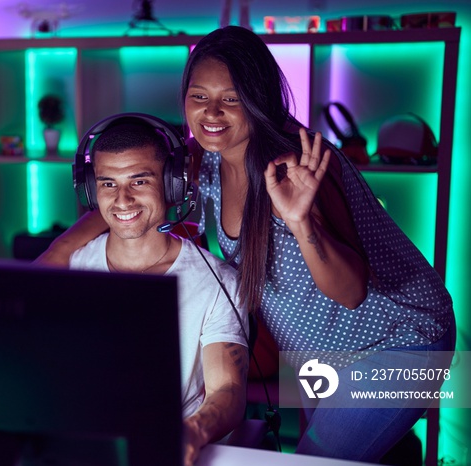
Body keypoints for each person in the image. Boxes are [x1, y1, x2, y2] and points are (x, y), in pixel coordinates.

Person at [38, 25, 457, 463]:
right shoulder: (203, 160)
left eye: (231, 99)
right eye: (199, 96)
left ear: (258, 100)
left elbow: (350, 292)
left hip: (403, 339)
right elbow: (122, 203)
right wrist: (46, 270)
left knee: (315, 459)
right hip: (317, 351)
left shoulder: (295, 165)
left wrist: (299, 221)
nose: (211, 113)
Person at [67, 114, 251, 466]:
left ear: (171, 185)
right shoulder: (71, 269)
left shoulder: (218, 281)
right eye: (107, 183)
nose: (122, 199)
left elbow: (226, 390)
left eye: (139, 181)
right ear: (90, 189)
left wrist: (193, 431)